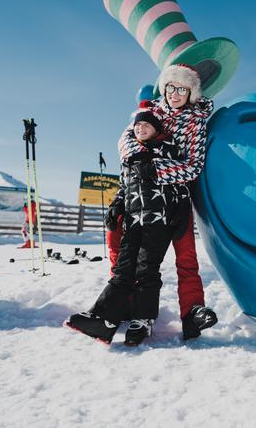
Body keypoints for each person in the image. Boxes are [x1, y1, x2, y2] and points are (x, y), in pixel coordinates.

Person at [105, 63, 217, 342]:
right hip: (139, 195)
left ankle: (192, 310)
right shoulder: (151, 111)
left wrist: (155, 168)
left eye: (182, 89)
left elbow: (193, 166)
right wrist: (138, 161)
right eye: (171, 87)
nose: (175, 94)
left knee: (186, 255)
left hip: (175, 198)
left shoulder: (195, 122)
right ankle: (126, 303)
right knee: (120, 243)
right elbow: (125, 140)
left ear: (191, 93)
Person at [65, 107, 190, 345]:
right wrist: (116, 206)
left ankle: (143, 321)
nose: (140, 128)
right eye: (137, 125)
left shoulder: (168, 152)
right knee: (122, 270)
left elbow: (181, 186)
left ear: (157, 129)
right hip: (133, 222)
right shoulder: (130, 157)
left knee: (146, 270)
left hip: (158, 222)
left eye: (146, 125)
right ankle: (104, 320)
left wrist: (181, 214)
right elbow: (124, 187)